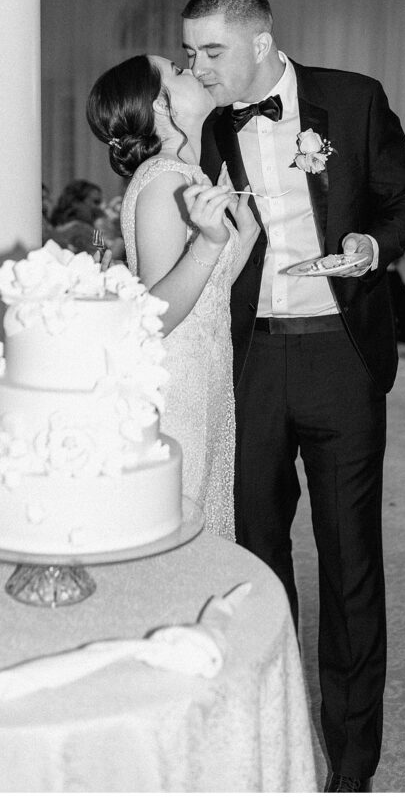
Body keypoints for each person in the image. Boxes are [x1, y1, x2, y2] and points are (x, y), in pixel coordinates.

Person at [182, 0, 405, 793]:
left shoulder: (353, 101)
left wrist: (372, 246)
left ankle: (350, 767)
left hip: (339, 358)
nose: (200, 65)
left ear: (260, 42)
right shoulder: (210, 131)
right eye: (191, 52)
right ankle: (273, 739)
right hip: (252, 361)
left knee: (351, 561)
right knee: (256, 555)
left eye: (211, 50)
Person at [86, 54, 259, 538]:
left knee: (195, 515)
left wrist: (239, 240)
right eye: (178, 72)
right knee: (176, 526)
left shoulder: (185, 174)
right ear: (161, 104)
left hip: (203, 369)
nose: (193, 72)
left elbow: (204, 294)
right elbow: (154, 318)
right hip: (175, 382)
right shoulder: (165, 180)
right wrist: (210, 242)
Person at [49, 178, 104, 254]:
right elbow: (103, 256)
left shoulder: (55, 226)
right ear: (76, 202)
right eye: (95, 202)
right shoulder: (82, 229)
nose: (99, 208)